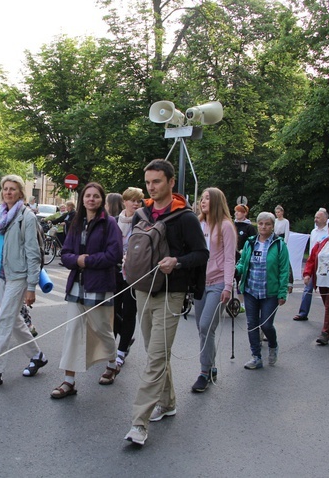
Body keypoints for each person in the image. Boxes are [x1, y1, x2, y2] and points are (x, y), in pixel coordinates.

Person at [124, 159, 208, 446]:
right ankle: (169, 402)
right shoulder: (141, 214)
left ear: (172, 182)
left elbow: (201, 254)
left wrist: (178, 261)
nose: (151, 187)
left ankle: (139, 422)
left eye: (157, 181)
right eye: (148, 182)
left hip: (171, 294)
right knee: (154, 353)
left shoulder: (185, 217)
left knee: (157, 357)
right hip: (143, 291)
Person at [0, 175, 48, 390]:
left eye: (13, 189)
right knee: (14, 320)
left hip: (18, 276)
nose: (8, 192)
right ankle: (37, 356)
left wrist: (31, 287)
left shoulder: (26, 217)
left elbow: (33, 254)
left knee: (4, 321)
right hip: (0, 276)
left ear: (21, 193)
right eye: (5, 189)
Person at [52, 182, 123, 399]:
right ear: (82, 199)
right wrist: (77, 260)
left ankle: (113, 362)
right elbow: (65, 254)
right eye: (87, 196)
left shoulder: (109, 224)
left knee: (102, 329)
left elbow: (115, 255)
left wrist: (87, 261)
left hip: (100, 284)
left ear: (102, 200)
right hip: (77, 285)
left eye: (95, 196)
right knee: (72, 330)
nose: (91, 199)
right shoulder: (75, 223)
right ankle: (69, 381)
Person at [191, 188, 236, 390]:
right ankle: (211, 365)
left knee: (206, 326)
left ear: (217, 201)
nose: (203, 201)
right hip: (200, 283)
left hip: (218, 283)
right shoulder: (198, 224)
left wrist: (228, 285)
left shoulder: (226, 226)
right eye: (202, 198)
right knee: (202, 328)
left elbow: (229, 258)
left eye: (207, 198)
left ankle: (204, 371)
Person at [235, 211, 288, 369]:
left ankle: (273, 345)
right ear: (257, 225)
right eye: (261, 224)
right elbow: (243, 263)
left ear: (272, 226)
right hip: (251, 290)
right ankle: (256, 356)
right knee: (252, 324)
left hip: (269, 292)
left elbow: (284, 270)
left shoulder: (279, 245)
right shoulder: (250, 243)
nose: (264, 227)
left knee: (266, 325)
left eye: (267, 224)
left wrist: (282, 292)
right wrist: (236, 270)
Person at [112, 187, 144, 369]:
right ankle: (125, 336)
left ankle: (121, 350)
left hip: (133, 274)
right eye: (132, 200)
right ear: (124, 201)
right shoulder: (114, 222)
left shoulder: (143, 222)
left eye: (138, 201)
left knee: (129, 311)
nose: (135, 204)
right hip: (115, 272)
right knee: (113, 311)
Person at [294, 208, 329, 320]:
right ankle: (303, 313)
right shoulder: (313, 232)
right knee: (307, 288)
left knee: (326, 291)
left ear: (325, 219)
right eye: (315, 217)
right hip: (313, 263)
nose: (315, 219)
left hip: (324, 264)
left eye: (318, 217)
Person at [233, 204, 257, 312]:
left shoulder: (249, 227)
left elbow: (253, 242)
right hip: (231, 255)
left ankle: (242, 303)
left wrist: (245, 251)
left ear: (244, 213)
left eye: (239, 211)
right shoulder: (232, 225)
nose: (236, 213)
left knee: (240, 280)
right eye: (236, 211)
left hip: (242, 257)